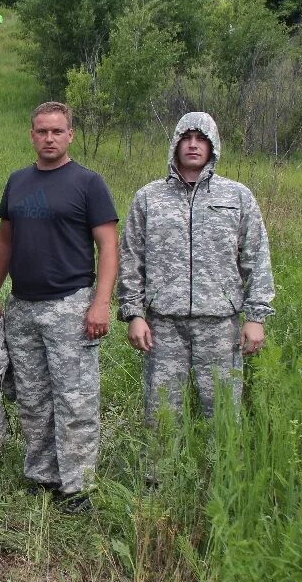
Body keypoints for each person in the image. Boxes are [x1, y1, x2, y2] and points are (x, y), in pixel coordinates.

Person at [0, 102, 118, 514]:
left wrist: (101, 303)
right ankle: (43, 474)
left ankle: (77, 486)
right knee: (33, 398)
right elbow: (4, 241)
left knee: (74, 401)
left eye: (57, 131)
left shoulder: (88, 183)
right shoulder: (18, 182)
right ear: (31, 135)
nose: (49, 138)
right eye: (41, 131)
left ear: (70, 135)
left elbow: (108, 247)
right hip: (23, 307)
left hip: (70, 305)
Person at [118, 112, 275, 424]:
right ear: (175, 144)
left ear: (213, 145)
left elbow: (256, 258)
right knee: (160, 416)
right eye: (186, 138)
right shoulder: (149, 198)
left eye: (201, 139)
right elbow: (131, 258)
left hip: (219, 326)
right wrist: (134, 314)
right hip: (163, 326)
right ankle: (160, 475)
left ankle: (222, 472)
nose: (193, 145)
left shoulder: (237, 196)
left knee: (224, 417)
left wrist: (256, 317)